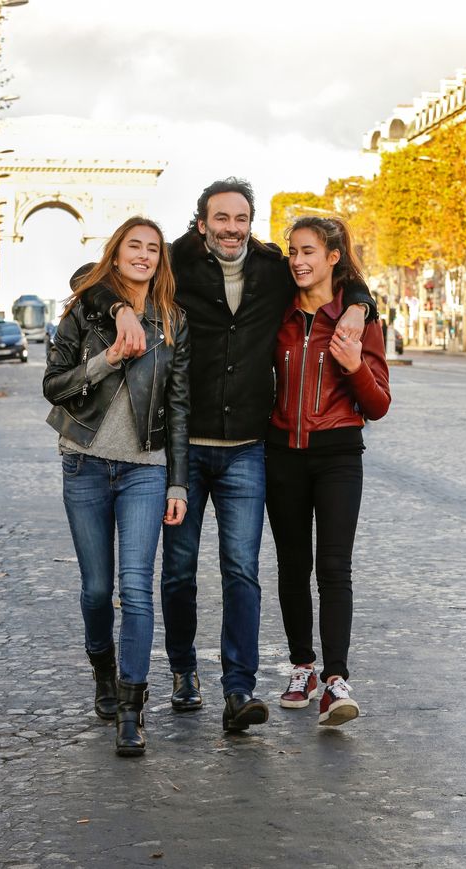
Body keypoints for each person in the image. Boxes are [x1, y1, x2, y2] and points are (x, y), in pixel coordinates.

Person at [79, 179, 376, 733]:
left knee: (243, 570)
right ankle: (185, 672)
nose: (232, 228)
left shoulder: (271, 267)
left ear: (251, 222)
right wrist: (121, 307)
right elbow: (88, 277)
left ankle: (238, 689)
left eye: (241, 218)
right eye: (221, 218)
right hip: (184, 446)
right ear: (202, 222)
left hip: (247, 448)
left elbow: (340, 272)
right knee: (179, 572)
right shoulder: (173, 263)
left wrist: (361, 304)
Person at [43, 217, 190, 756]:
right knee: (96, 591)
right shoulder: (86, 306)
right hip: (83, 464)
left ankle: (132, 706)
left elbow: (177, 406)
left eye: (154, 249)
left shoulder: (173, 321)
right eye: (135, 246)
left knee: (136, 589)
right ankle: (102, 669)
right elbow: (52, 385)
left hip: (145, 471)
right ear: (117, 251)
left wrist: (178, 483)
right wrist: (107, 358)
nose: (145, 256)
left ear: (161, 260)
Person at [265, 216, 390, 725]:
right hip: (282, 453)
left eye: (309, 251)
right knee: (293, 567)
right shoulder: (278, 312)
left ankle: (336, 680)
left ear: (333, 256)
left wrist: (355, 363)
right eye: (293, 251)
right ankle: (302, 666)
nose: (297, 260)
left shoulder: (359, 320)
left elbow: (379, 404)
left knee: (335, 567)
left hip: (339, 454)